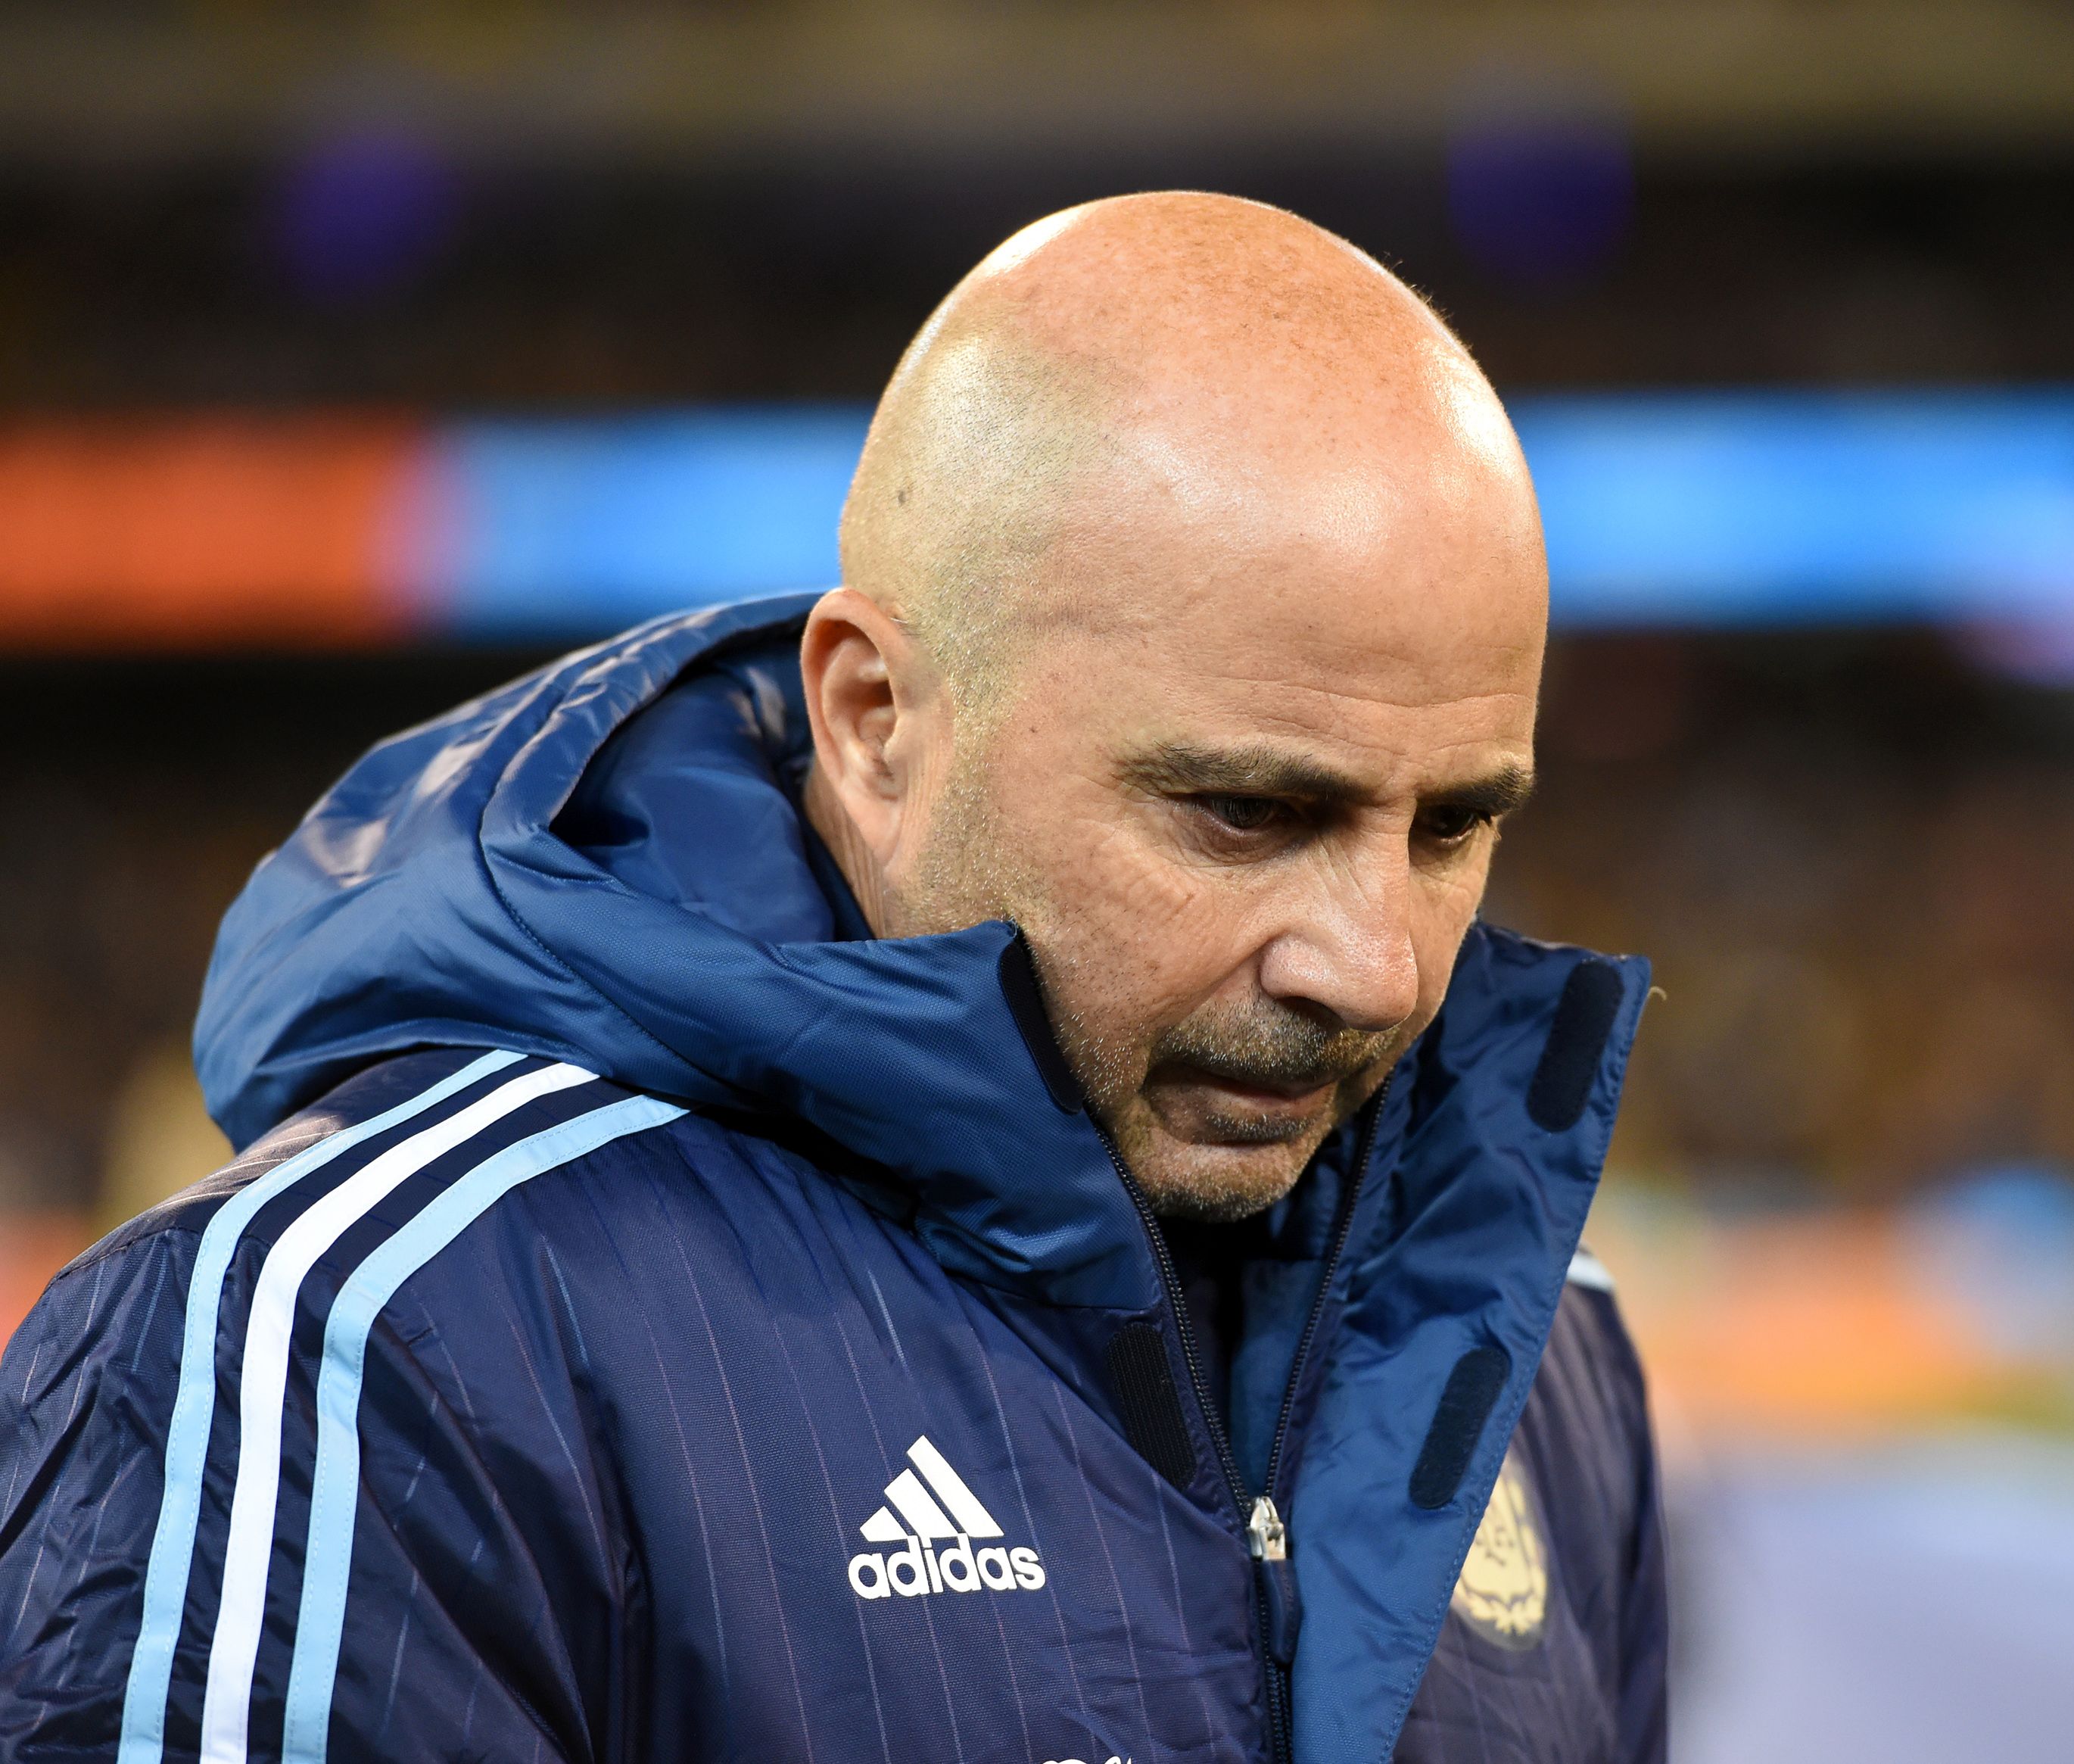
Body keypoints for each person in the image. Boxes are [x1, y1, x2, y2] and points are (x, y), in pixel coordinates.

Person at [0, 192, 1662, 1764]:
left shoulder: (1531, 1337)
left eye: (1453, 826)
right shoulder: (359, 1338)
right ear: (876, 722)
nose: (1374, 966)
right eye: (1245, 811)